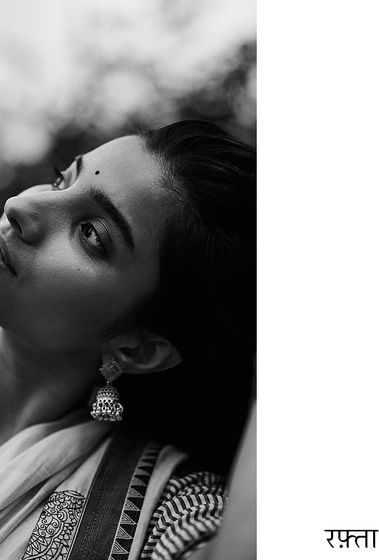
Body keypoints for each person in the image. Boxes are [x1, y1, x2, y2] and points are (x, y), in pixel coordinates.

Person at [0, 120, 256, 559]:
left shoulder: (169, 510)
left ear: (140, 348)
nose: (21, 204)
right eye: (62, 179)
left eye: (91, 234)